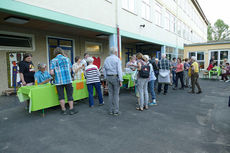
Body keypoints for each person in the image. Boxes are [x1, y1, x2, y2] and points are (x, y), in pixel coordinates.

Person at [50, 47, 78, 115]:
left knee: (61, 96)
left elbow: (51, 73)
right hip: (68, 80)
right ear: (62, 52)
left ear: (55, 53)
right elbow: (70, 70)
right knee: (70, 95)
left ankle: (63, 110)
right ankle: (71, 110)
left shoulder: (53, 61)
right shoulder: (67, 59)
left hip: (59, 81)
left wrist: (56, 73)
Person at [103, 47, 123, 116]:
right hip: (115, 77)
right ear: (115, 52)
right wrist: (121, 79)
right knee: (116, 94)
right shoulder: (117, 59)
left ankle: (110, 110)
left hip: (109, 77)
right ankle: (116, 110)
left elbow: (104, 69)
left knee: (110, 94)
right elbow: (119, 70)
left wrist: (106, 78)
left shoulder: (106, 59)